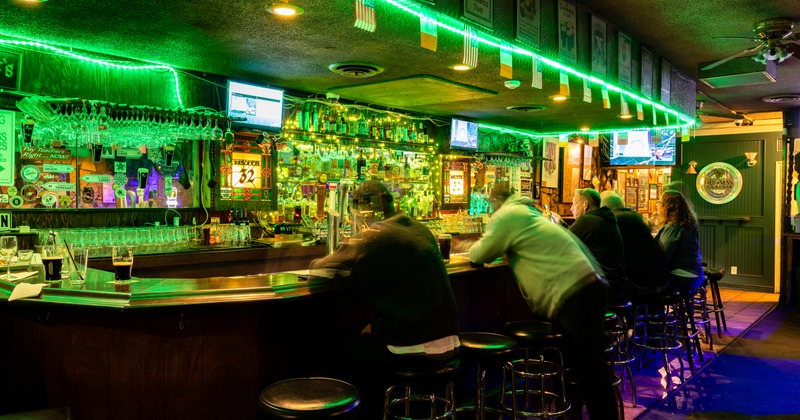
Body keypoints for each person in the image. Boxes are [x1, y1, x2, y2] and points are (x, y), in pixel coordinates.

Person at [462, 184, 620, 419]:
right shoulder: (529, 213)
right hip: (588, 286)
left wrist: (465, 247)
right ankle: (573, 414)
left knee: (591, 369)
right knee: (583, 366)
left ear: (496, 200)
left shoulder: (508, 216)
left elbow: (479, 255)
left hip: (574, 292)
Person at [308, 181, 460, 417]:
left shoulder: (373, 234)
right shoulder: (419, 228)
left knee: (323, 348)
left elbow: (318, 273)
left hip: (410, 346)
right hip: (450, 341)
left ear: (362, 210)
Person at [569, 188, 632, 303]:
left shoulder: (586, 220)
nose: (571, 208)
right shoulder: (605, 219)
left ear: (585, 205)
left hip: (604, 289)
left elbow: (563, 243)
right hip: (618, 286)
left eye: (574, 204)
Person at [656, 189, 704, 295]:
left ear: (668, 206)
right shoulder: (688, 224)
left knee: (643, 287)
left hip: (682, 276)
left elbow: (662, 256)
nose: (657, 205)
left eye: (659, 202)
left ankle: (656, 311)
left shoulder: (673, 227)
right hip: (695, 274)